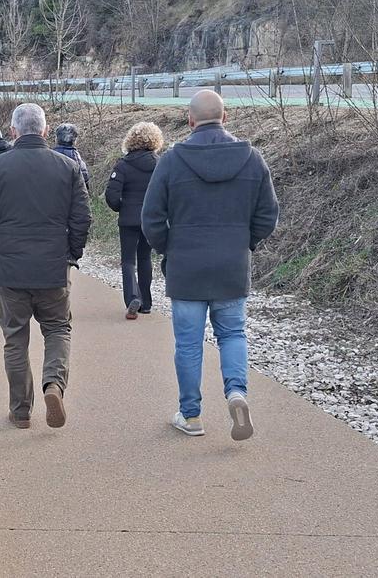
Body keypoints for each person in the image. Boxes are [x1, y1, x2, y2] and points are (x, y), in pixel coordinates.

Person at [141, 90, 279, 441]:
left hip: (186, 267)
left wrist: (169, 248)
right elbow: (268, 215)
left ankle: (191, 416)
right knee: (232, 334)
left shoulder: (171, 161)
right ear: (225, 117)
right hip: (231, 265)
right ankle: (236, 392)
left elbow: (151, 218)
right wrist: (243, 243)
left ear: (190, 120)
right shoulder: (252, 159)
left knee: (188, 344)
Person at [0, 103, 91, 430]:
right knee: (57, 328)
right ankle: (53, 384)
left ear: (13, 131)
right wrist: (71, 254)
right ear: (45, 130)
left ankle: (21, 410)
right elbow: (82, 217)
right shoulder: (67, 167)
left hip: (11, 266)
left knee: (15, 338)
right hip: (53, 266)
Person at [104, 122, 164, 320]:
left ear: (130, 140)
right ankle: (146, 303)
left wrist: (122, 208)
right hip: (150, 219)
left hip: (128, 220)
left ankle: (132, 298)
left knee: (128, 260)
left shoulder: (123, 165)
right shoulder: (160, 164)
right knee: (145, 258)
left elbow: (112, 195)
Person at [52, 123, 90, 188]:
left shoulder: (49, 156)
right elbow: (84, 183)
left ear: (56, 139)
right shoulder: (78, 160)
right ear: (75, 140)